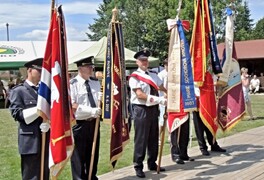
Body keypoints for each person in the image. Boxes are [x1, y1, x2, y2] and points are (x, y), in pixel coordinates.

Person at [9, 58, 50, 180]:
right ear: (30, 70)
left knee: (45, 174)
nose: (42, 74)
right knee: (31, 176)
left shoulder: (44, 91)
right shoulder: (19, 91)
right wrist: (39, 109)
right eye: (39, 71)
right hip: (30, 141)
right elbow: (17, 114)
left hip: (45, 137)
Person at [129, 49, 167, 178]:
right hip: (141, 109)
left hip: (153, 109)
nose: (145, 62)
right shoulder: (134, 77)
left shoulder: (153, 74)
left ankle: (152, 162)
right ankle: (138, 165)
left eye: (146, 60)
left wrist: (170, 93)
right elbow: (140, 95)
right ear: (137, 62)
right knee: (141, 139)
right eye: (142, 60)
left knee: (153, 137)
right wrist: (160, 99)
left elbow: (161, 87)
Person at [70, 56, 102, 180]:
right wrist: (91, 111)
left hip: (94, 122)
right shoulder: (73, 84)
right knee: (78, 156)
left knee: (93, 152)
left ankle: (91, 176)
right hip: (79, 123)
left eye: (91, 66)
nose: (91, 68)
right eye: (88, 66)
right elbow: (72, 105)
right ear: (80, 68)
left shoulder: (95, 82)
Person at [193, 85, 226, 156]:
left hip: (208, 97)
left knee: (210, 122)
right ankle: (203, 147)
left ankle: (213, 144)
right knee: (199, 126)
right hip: (198, 97)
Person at [158, 58, 168, 142]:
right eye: (167, 65)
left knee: (170, 118)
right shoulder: (161, 74)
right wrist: (164, 91)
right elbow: (157, 86)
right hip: (163, 99)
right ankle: (158, 136)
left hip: (172, 99)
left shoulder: (173, 73)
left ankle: (171, 136)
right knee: (162, 118)